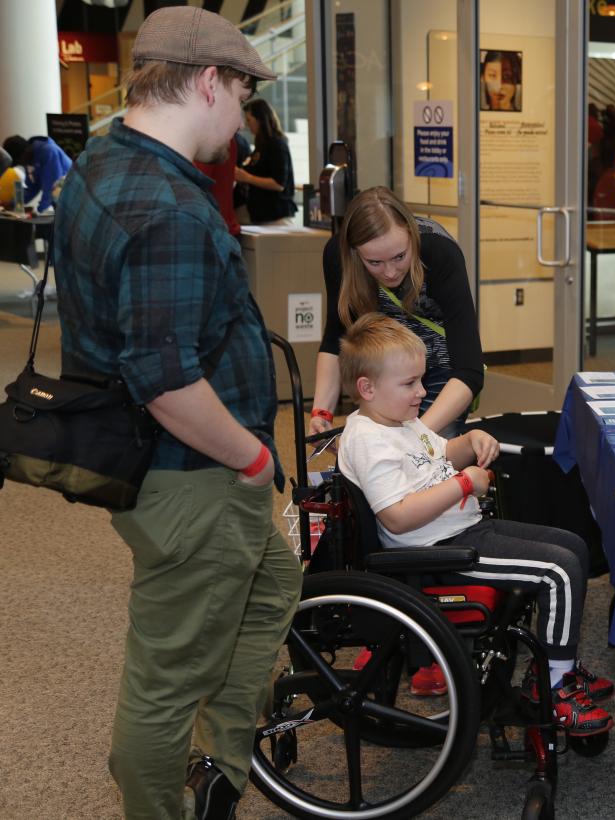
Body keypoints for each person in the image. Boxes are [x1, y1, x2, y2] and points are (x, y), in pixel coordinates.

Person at [51, 8, 300, 818]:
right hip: (195, 472)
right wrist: (255, 459)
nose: (242, 117)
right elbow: (166, 381)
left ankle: (220, 765)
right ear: (206, 83)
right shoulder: (168, 208)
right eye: (241, 94)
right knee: (166, 678)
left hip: (165, 462)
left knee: (272, 583)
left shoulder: (102, 161)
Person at [336, 313, 614, 734]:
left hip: (460, 529)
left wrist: (470, 443)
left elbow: (439, 454)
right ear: (367, 388)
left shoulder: (400, 423)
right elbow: (396, 515)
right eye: (409, 383)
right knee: (558, 570)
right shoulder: (370, 442)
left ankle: (560, 666)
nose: (421, 392)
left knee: (573, 545)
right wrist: (465, 484)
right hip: (433, 553)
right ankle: (554, 685)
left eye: (420, 380)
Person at [311, 186, 483, 439]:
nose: (390, 272)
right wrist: (321, 412)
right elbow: (337, 335)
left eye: (399, 256)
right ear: (355, 252)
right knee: (369, 452)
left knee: (427, 462)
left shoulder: (439, 252)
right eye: (375, 263)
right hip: (385, 368)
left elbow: (469, 370)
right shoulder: (338, 255)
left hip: (441, 369)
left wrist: (418, 436)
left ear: (412, 236)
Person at [234, 97, 297, 225]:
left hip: (276, 217)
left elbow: (279, 183)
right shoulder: (260, 147)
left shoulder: (277, 145)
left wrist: (247, 178)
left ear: (260, 120)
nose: (246, 124)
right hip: (261, 216)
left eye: (249, 120)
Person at [194, 134, 243, 236]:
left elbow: (198, 184)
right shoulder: (223, 138)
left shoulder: (211, 139)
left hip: (214, 229)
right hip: (221, 225)